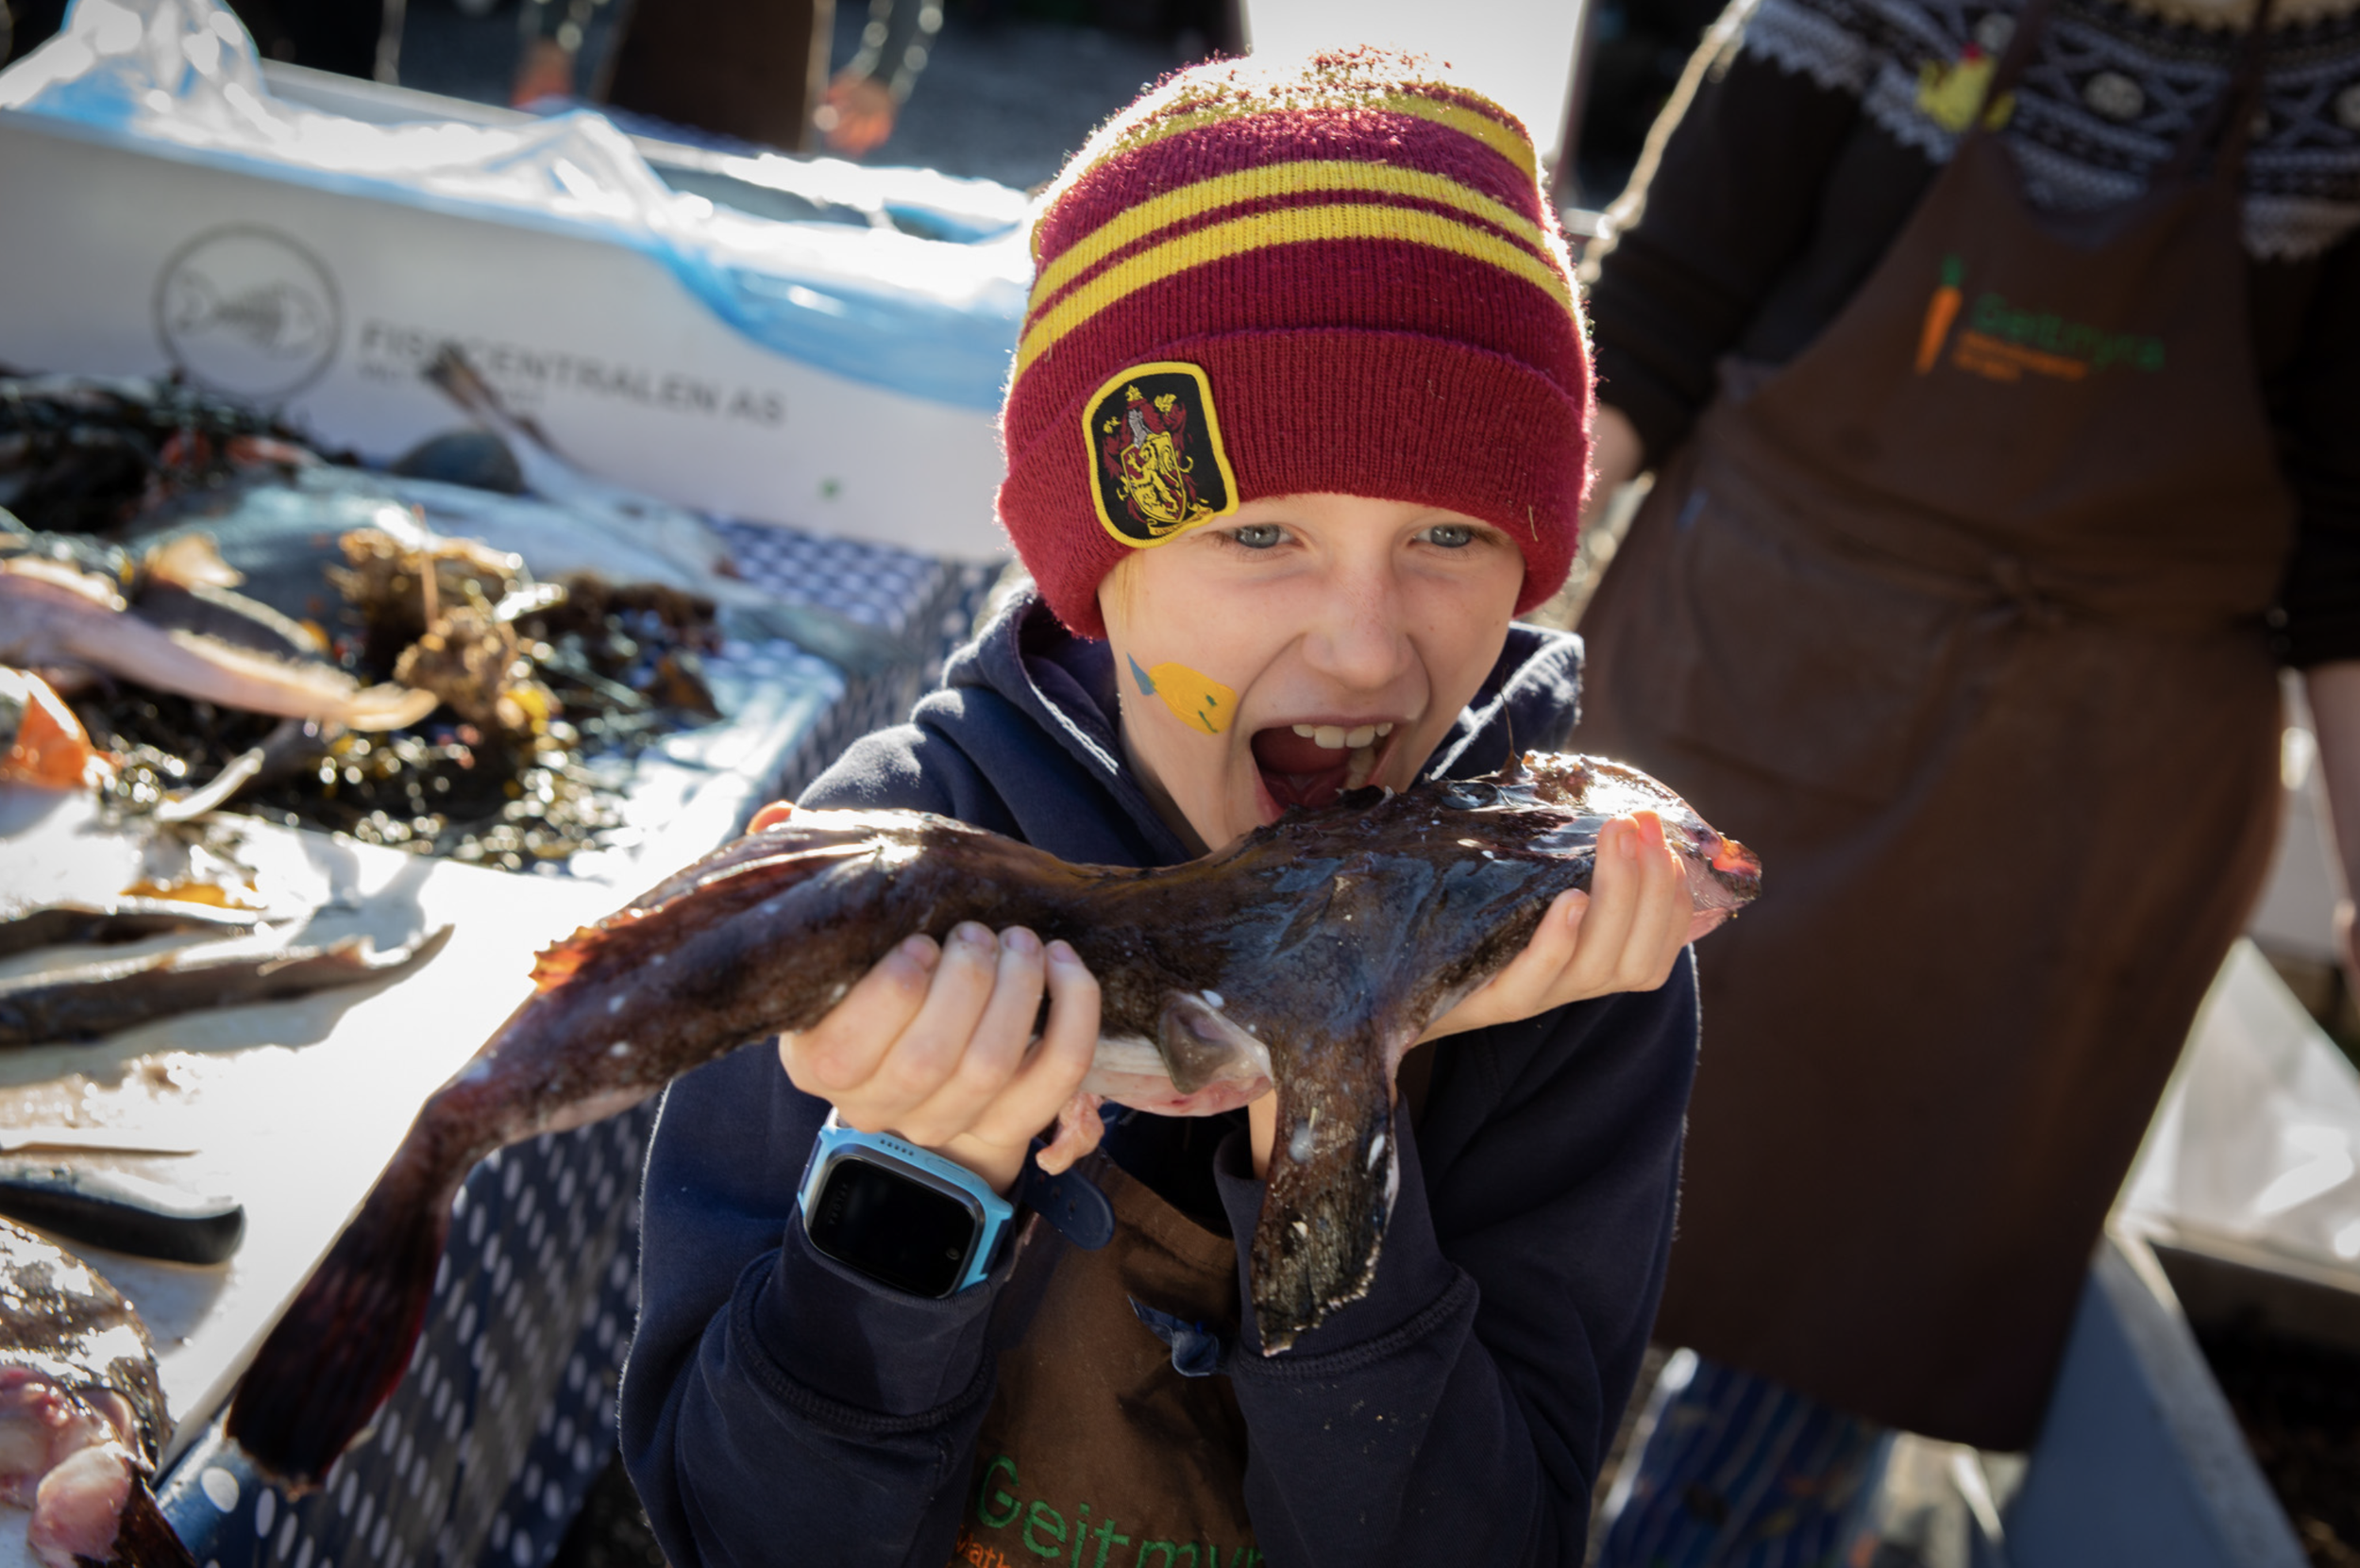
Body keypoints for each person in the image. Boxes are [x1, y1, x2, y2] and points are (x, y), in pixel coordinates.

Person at [620, 50, 1709, 1566]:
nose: (1368, 645)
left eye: (1450, 535)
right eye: (1261, 533)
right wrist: (906, 1186)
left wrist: (1340, 1118)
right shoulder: (892, 881)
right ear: (1098, 570)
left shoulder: (1578, 969)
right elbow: (736, 1535)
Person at [1571, 0, 2360, 1554]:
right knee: (1570, 1194)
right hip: (1733, 698)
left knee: (1852, 1298)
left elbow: (2351, 543)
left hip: (2078, 816)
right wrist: (1417, 629)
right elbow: (1647, 319)